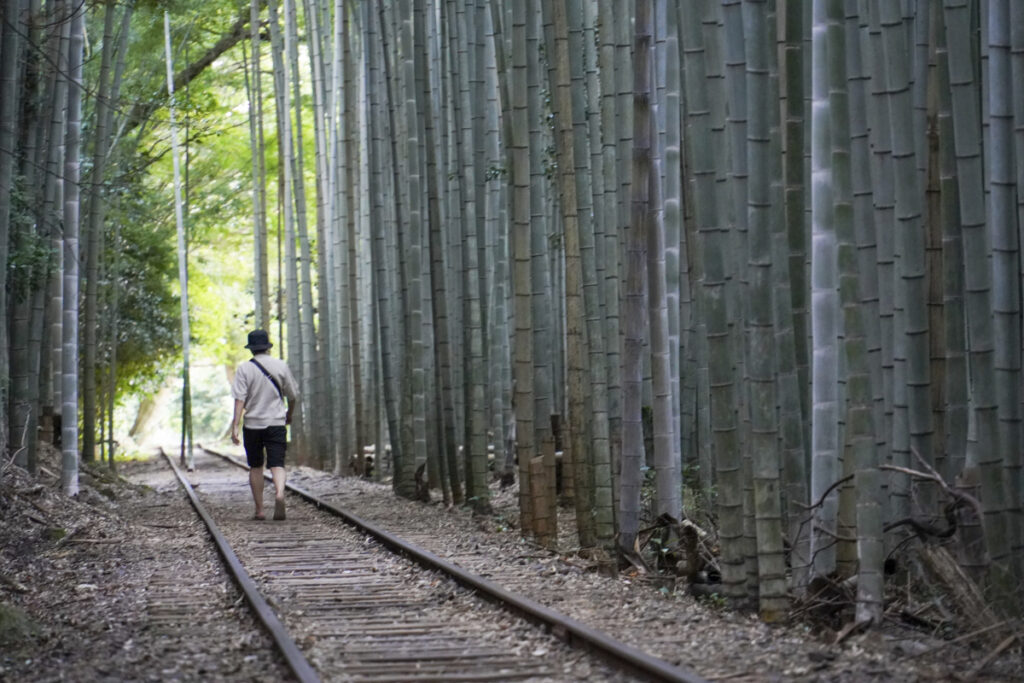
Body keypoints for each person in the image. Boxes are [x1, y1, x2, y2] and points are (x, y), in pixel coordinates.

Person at [229, 329, 299, 520]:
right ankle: (279, 493)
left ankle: (260, 510)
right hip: (276, 422)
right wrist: (289, 415)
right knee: (277, 463)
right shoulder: (280, 366)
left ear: (251, 348)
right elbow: (293, 396)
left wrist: (235, 425)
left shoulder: (245, 369)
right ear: (267, 347)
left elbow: (239, 400)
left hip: (252, 424)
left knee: (256, 466)